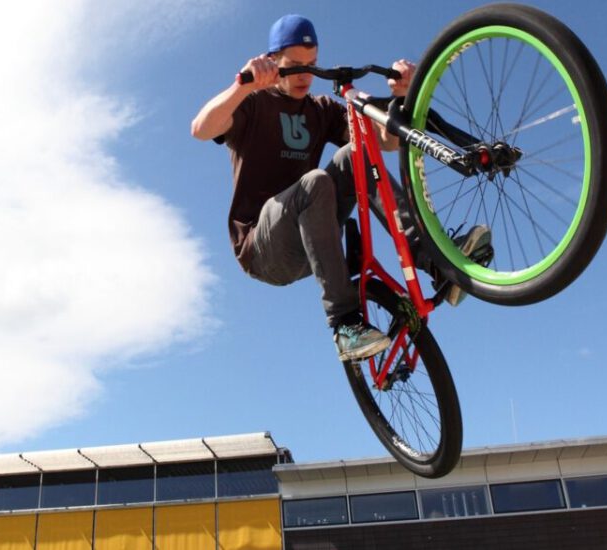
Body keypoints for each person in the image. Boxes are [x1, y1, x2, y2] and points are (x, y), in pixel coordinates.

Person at [191, 14, 492, 362]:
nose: (305, 75)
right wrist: (242, 85)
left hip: (313, 239)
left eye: (312, 65)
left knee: (356, 153)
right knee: (314, 182)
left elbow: (386, 145)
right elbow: (201, 128)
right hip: (263, 248)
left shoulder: (321, 110)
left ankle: (435, 261)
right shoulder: (254, 104)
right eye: (294, 66)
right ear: (273, 62)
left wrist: (401, 98)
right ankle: (344, 323)